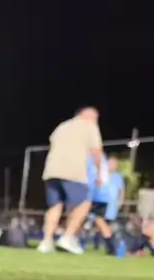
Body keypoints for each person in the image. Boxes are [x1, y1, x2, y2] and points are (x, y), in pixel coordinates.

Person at [39, 107, 105, 255]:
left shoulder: (62, 126)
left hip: (52, 170)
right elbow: (96, 151)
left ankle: (46, 241)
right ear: (90, 117)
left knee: (55, 206)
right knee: (84, 203)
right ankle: (67, 237)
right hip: (73, 171)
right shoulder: (90, 127)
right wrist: (100, 173)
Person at [88, 155, 125, 255]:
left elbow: (121, 191)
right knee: (100, 224)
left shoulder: (118, 177)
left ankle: (111, 247)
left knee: (101, 224)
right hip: (99, 201)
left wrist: (120, 202)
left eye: (113, 163)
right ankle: (108, 247)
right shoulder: (101, 173)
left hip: (108, 205)